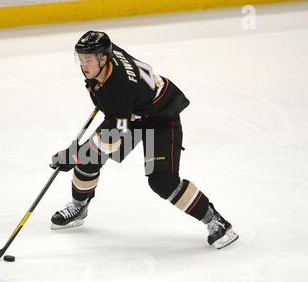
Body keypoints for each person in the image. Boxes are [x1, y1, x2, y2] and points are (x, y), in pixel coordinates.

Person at [50, 31, 239, 249]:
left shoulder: (119, 88)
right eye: (80, 59)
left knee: (162, 181)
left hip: (160, 117)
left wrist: (73, 156)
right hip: (131, 111)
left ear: (103, 58)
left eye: (88, 60)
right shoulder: (106, 57)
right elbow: (116, 115)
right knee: (88, 159)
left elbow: (113, 137)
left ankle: (216, 221)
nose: (83, 65)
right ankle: (79, 206)